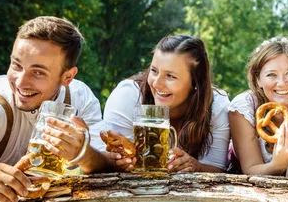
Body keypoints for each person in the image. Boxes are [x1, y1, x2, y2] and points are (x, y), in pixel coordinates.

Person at [0, 16, 103, 202]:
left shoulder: (80, 99)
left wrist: (83, 152)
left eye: (38, 72)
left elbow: (106, 162)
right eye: (16, 65)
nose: (20, 82)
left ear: (68, 76)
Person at [90, 35, 230, 173]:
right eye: (154, 71)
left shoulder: (216, 107)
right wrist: (121, 162)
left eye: (170, 76)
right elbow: (109, 162)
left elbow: (216, 168)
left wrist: (196, 166)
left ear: (195, 82)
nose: (156, 83)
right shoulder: (127, 97)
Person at [228, 36, 288, 177]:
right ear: (258, 80)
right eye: (271, 75)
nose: (281, 82)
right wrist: (277, 165)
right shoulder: (244, 107)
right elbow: (250, 169)